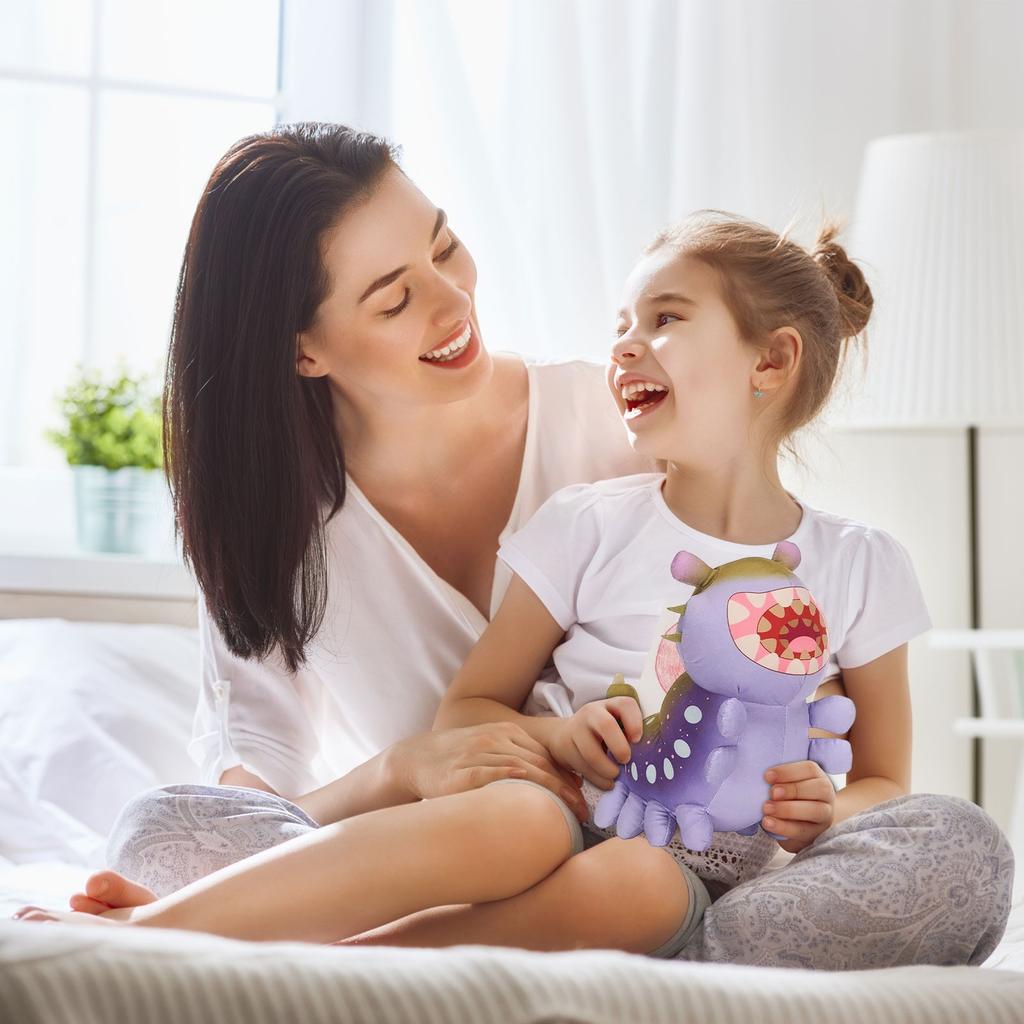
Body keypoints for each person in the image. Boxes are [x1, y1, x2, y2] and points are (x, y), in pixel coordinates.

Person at [14, 126, 1014, 969]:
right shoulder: (283, 525)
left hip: (680, 862)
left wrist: (813, 805)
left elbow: (864, 761)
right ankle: (311, 926)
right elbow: (262, 802)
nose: (452, 306)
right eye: (394, 297)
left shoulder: (630, 429)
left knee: (960, 852)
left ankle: (646, 929)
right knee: (168, 832)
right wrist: (409, 768)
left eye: (445, 249)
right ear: (303, 349)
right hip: (461, 834)